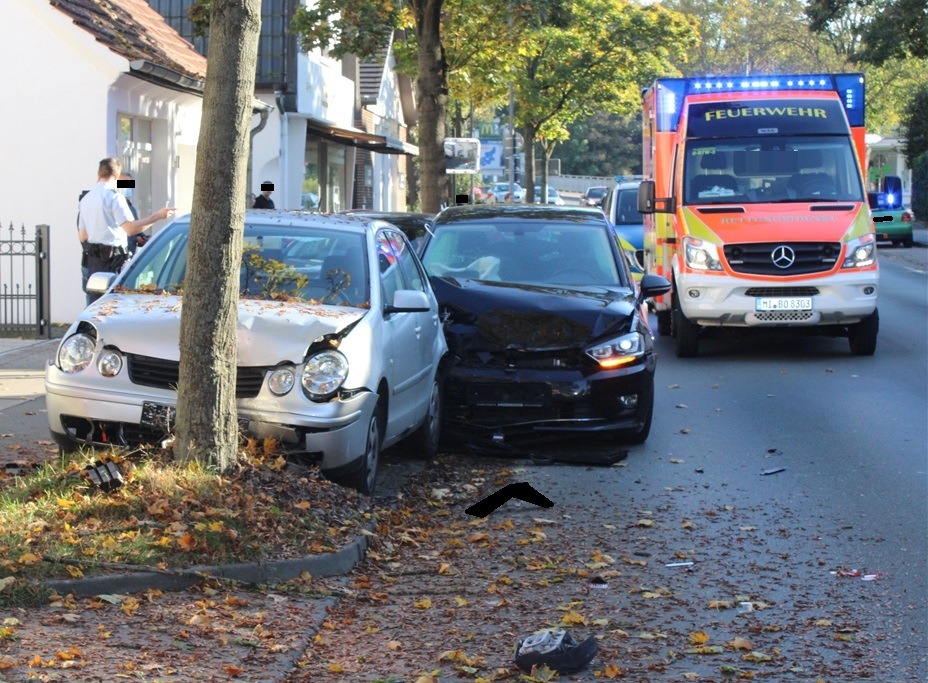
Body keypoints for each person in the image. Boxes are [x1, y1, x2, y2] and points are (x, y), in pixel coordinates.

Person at [78, 158, 174, 304]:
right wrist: (158, 216)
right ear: (117, 176)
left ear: (99, 173)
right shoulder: (115, 198)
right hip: (112, 263)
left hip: (93, 263)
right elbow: (131, 229)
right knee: (114, 307)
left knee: (94, 307)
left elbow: (83, 236)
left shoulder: (86, 199)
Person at [118, 173, 150, 255]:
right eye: (124, 184)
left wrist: (141, 238)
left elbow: (136, 229)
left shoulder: (131, 208)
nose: (128, 188)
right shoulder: (113, 206)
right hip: (117, 256)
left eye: (130, 185)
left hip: (129, 256)